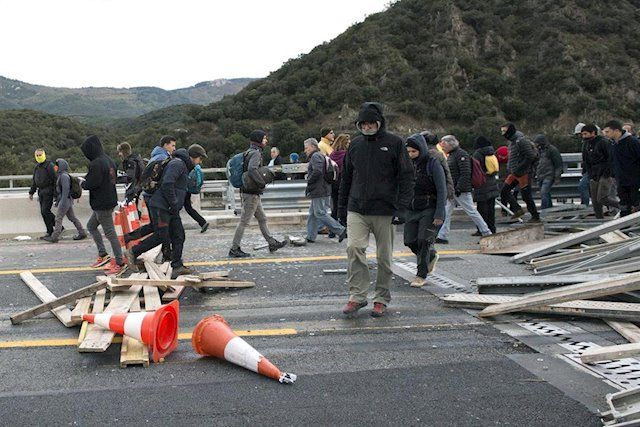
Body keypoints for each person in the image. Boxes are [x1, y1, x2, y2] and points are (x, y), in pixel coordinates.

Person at [338, 102, 414, 318]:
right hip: (357, 208)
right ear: (358, 124)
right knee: (354, 248)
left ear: (379, 123)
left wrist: (402, 208)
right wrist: (341, 209)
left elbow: (407, 177)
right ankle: (357, 296)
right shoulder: (355, 146)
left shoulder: (395, 143)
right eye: (363, 123)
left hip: (386, 210)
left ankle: (381, 299)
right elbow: (346, 179)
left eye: (372, 122)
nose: (368, 126)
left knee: (384, 258)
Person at [125, 146, 208, 278]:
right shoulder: (178, 164)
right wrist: (174, 203)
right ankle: (133, 252)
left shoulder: (183, 166)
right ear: (194, 156)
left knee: (179, 235)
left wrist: (175, 205)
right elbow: (167, 183)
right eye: (200, 158)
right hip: (161, 206)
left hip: (170, 208)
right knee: (161, 236)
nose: (200, 162)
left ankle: (177, 266)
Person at [228, 130, 287, 258]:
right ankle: (234, 248)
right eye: (264, 138)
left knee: (262, 218)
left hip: (250, 191)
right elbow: (252, 169)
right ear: (259, 140)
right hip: (251, 193)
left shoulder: (249, 151)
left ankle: (271, 242)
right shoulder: (255, 153)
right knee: (244, 221)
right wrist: (261, 183)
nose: (266, 141)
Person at [123, 135, 176, 262]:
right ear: (165, 145)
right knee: (161, 232)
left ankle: (128, 237)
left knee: (155, 227)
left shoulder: (155, 156)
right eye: (173, 145)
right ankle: (133, 251)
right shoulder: (163, 158)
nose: (174, 148)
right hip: (157, 200)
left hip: (150, 197)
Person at [404, 134, 446, 287]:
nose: (410, 155)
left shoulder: (433, 163)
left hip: (429, 207)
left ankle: (421, 274)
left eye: (413, 152)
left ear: (421, 150)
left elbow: (442, 190)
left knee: (423, 240)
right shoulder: (406, 165)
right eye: (408, 152)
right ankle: (431, 256)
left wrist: (440, 213)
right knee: (409, 240)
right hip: (411, 208)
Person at [80, 135, 125, 275]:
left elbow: (91, 183)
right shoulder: (109, 160)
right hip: (109, 199)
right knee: (91, 226)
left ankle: (120, 262)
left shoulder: (96, 164)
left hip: (101, 203)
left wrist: (82, 182)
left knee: (110, 233)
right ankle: (103, 254)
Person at [435, 135, 492, 244]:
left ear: (450, 144)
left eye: (443, 145)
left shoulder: (460, 155)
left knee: (471, 211)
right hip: (455, 189)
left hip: (460, 190)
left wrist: (458, 188)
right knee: (447, 212)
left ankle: (487, 233)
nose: (442, 148)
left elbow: (465, 173)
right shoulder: (455, 154)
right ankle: (442, 235)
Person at [303, 138, 347, 243]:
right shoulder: (320, 155)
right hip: (323, 188)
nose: (305, 150)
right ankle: (310, 236)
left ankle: (341, 230)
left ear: (313, 146)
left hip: (319, 189)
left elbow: (317, 171)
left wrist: (309, 180)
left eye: (306, 148)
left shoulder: (315, 156)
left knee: (319, 213)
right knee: (313, 213)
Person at [499, 123, 541, 222]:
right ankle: (517, 209)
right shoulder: (512, 142)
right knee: (504, 191)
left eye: (504, 131)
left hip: (523, 172)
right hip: (514, 172)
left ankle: (535, 216)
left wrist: (520, 168)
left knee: (526, 196)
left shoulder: (521, 141)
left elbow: (530, 156)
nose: (503, 134)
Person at [43, 159, 87, 243]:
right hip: (67, 200)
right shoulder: (63, 175)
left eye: (57, 165)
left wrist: (61, 202)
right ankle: (82, 232)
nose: (55, 167)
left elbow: (65, 191)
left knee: (58, 218)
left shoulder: (63, 176)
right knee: (72, 218)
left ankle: (54, 237)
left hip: (65, 201)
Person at [581, 124, 619, 218]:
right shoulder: (586, 144)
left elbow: (610, 158)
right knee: (595, 201)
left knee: (602, 198)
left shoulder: (603, 142)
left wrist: (608, 173)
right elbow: (586, 160)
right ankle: (599, 220)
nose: (584, 136)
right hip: (593, 174)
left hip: (605, 174)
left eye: (586, 134)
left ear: (593, 133)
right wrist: (587, 172)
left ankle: (624, 206)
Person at [603, 120, 640, 216]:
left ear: (616, 131)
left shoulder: (632, 142)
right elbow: (612, 161)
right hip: (621, 180)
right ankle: (624, 227)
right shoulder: (613, 144)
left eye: (608, 132)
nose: (606, 134)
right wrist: (612, 174)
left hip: (634, 180)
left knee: (635, 204)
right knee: (623, 205)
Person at [472, 136, 500, 234]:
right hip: (492, 182)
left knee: (482, 209)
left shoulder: (478, 154)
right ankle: (492, 228)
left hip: (482, 184)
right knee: (491, 209)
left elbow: (475, 169)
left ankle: (482, 229)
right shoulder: (491, 152)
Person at [28, 148, 57, 239]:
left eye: (40, 155)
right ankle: (50, 231)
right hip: (40, 192)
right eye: (37, 155)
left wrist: (56, 193)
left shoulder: (49, 165)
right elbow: (34, 181)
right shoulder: (37, 167)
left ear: (44, 155)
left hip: (49, 191)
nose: (38, 157)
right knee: (43, 212)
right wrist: (31, 192)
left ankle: (55, 227)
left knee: (45, 211)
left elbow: (55, 179)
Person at [421, 131, 455, 201]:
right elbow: (447, 172)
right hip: (437, 188)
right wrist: (450, 190)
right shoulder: (438, 154)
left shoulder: (415, 153)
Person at [533, 134, 563, 210]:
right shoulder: (538, 151)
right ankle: (549, 209)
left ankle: (544, 209)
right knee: (546, 193)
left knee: (544, 192)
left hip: (549, 175)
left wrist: (557, 177)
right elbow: (536, 163)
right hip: (540, 175)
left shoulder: (552, 150)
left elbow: (558, 164)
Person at [184, 144, 210, 233]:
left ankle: (202, 222)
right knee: (188, 208)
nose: (200, 161)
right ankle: (202, 222)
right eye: (200, 158)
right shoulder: (185, 165)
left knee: (185, 208)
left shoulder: (187, 165)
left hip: (183, 190)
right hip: (185, 190)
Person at [328, 133, 350, 230]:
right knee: (344, 205)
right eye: (348, 143)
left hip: (333, 183)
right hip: (343, 182)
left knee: (335, 207)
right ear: (344, 144)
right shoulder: (346, 155)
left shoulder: (332, 155)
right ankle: (343, 226)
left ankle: (333, 229)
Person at [116, 142, 145, 206]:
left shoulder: (130, 162)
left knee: (131, 211)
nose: (119, 154)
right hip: (138, 188)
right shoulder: (136, 159)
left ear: (123, 151)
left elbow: (130, 177)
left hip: (133, 190)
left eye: (120, 152)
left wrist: (116, 179)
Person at [575, 122, 590, 206]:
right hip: (588, 169)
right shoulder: (585, 143)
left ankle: (585, 206)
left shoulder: (588, 143)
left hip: (592, 170)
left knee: (582, 186)